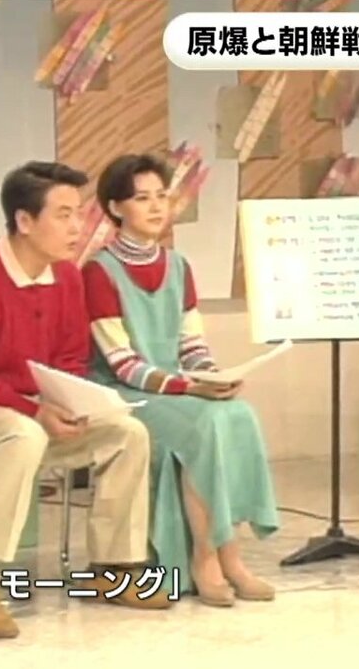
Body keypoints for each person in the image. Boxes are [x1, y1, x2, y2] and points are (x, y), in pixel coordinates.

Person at [0, 161, 173, 640]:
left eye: (79, 213)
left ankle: (114, 568)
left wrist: (72, 402)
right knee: (21, 434)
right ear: (24, 220)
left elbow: (70, 360)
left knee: (127, 433)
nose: (78, 227)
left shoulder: (67, 278)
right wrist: (34, 409)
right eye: (63, 215)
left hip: (31, 417)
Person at [82, 153, 279, 607]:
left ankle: (231, 555)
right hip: (125, 392)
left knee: (238, 413)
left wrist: (215, 377)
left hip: (173, 385)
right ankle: (206, 558)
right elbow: (124, 365)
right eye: (142, 198)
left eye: (162, 196)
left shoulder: (179, 266)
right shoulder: (98, 272)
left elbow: (192, 347)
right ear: (115, 208)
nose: (156, 207)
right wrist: (190, 388)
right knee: (204, 424)